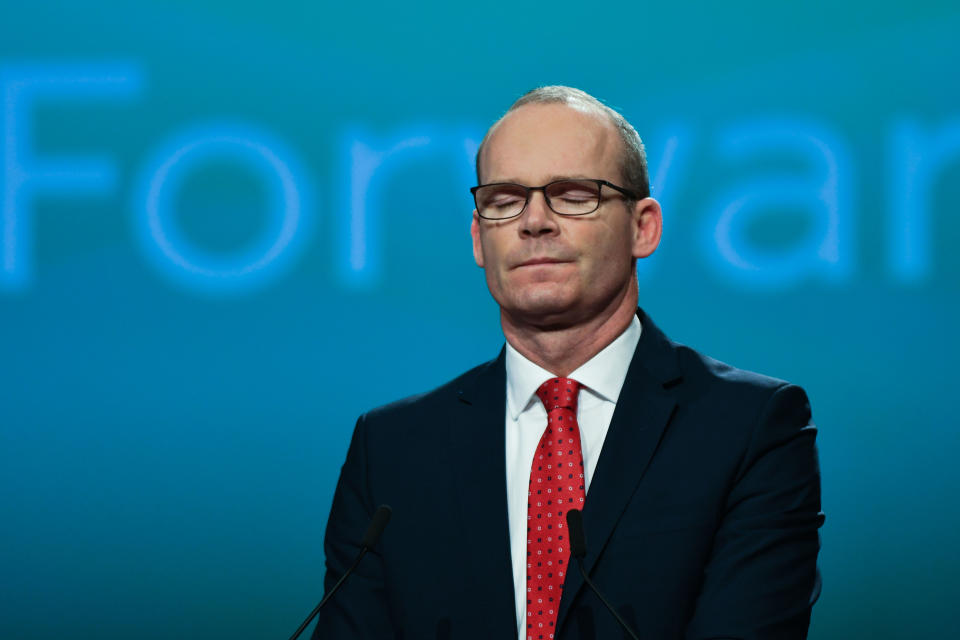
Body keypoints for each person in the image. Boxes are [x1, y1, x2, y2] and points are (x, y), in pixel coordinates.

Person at [314, 86, 824, 640]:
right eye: (504, 200)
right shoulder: (391, 448)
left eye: (574, 194)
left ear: (643, 227)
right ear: (479, 240)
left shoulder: (750, 426)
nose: (534, 222)